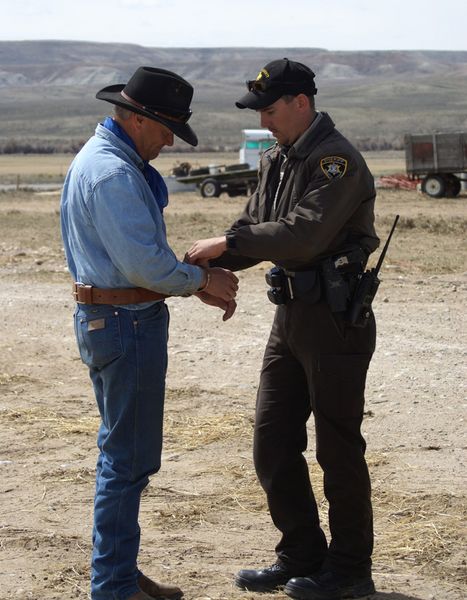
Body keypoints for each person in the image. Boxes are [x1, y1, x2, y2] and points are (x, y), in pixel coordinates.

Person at [186, 58, 380, 600]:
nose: (265, 122)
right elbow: (252, 227)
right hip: (291, 315)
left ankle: (348, 571)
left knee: (337, 448)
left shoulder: (335, 160)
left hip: (334, 318)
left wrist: (226, 247)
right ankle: (300, 554)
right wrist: (210, 265)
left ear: (301, 103)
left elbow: (302, 236)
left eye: (271, 111)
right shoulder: (279, 158)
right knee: (272, 440)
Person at [60, 66, 238, 600]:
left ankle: (117, 570)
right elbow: (144, 267)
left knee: (125, 453)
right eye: (165, 129)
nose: (168, 140)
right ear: (137, 119)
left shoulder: (106, 161)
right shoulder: (113, 173)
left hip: (115, 318)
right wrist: (202, 278)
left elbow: (142, 265)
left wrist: (184, 283)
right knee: (128, 459)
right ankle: (113, 583)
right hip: (125, 321)